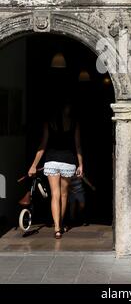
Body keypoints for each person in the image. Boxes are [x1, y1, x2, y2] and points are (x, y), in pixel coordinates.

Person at [28, 101, 83, 239]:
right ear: (68, 108)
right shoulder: (74, 123)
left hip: (52, 161)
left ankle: (57, 228)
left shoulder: (49, 123)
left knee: (55, 195)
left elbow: (43, 145)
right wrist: (81, 164)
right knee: (64, 195)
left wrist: (34, 165)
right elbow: (78, 146)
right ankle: (60, 223)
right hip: (68, 162)